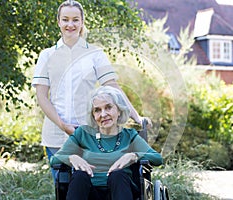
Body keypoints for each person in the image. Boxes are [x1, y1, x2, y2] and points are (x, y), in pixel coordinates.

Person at [32, 0, 146, 181]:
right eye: (66, 19)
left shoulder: (95, 54)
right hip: (55, 135)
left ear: (82, 22)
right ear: (58, 22)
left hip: (89, 134)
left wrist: (136, 117)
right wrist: (63, 125)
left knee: (90, 186)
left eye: (75, 20)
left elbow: (113, 89)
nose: (70, 24)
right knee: (63, 188)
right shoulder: (47, 55)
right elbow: (41, 97)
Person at [50, 86, 162, 200]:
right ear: (93, 115)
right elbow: (55, 159)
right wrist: (71, 157)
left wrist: (133, 156)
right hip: (89, 193)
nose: (103, 114)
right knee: (79, 176)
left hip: (121, 191)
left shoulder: (129, 136)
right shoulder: (83, 134)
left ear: (119, 110)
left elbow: (157, 158)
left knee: (118, 175)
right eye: (97, 110)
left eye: (108, 107)